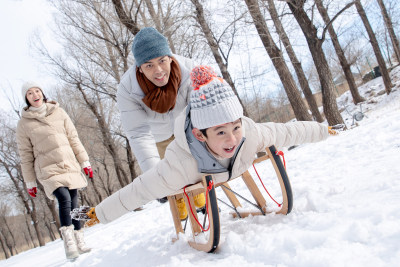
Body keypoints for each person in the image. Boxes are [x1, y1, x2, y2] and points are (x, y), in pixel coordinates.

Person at [81, 65, 339, 226]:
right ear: (201, 135)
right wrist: (99, 213)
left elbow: (287, 131)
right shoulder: (182, 163)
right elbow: (140, 189)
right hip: (200, 169)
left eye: (236, 127)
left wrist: (324, 130)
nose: (232, 139)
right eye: (221, 132)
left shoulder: (250, 134)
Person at [117, 27, 204, 213]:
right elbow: (139, 133)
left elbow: (204, 108)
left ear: (170, 58)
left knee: (194, 168)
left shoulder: (189, 69)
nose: (158, 71)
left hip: (188, 129)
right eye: (148, 65)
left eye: (162, 61)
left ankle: (203, 203)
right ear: (139, 69)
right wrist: (155, 179)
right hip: (158, 138)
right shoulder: (128, 89)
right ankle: (180, 209)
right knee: (171, 177)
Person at [16, 82, 94, 260]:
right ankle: (69, 242)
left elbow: (73, 138)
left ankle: (79, 239)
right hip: (47, 169)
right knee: (64, 198)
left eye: (37, 90)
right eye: (29, 93)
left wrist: (85, 161)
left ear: (42, 93)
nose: (34, 94)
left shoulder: (59, 112)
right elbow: (25, 155)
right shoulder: (24, 124)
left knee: (74, 200)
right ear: (26, 99)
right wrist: (30, 182)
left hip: (68, 163)